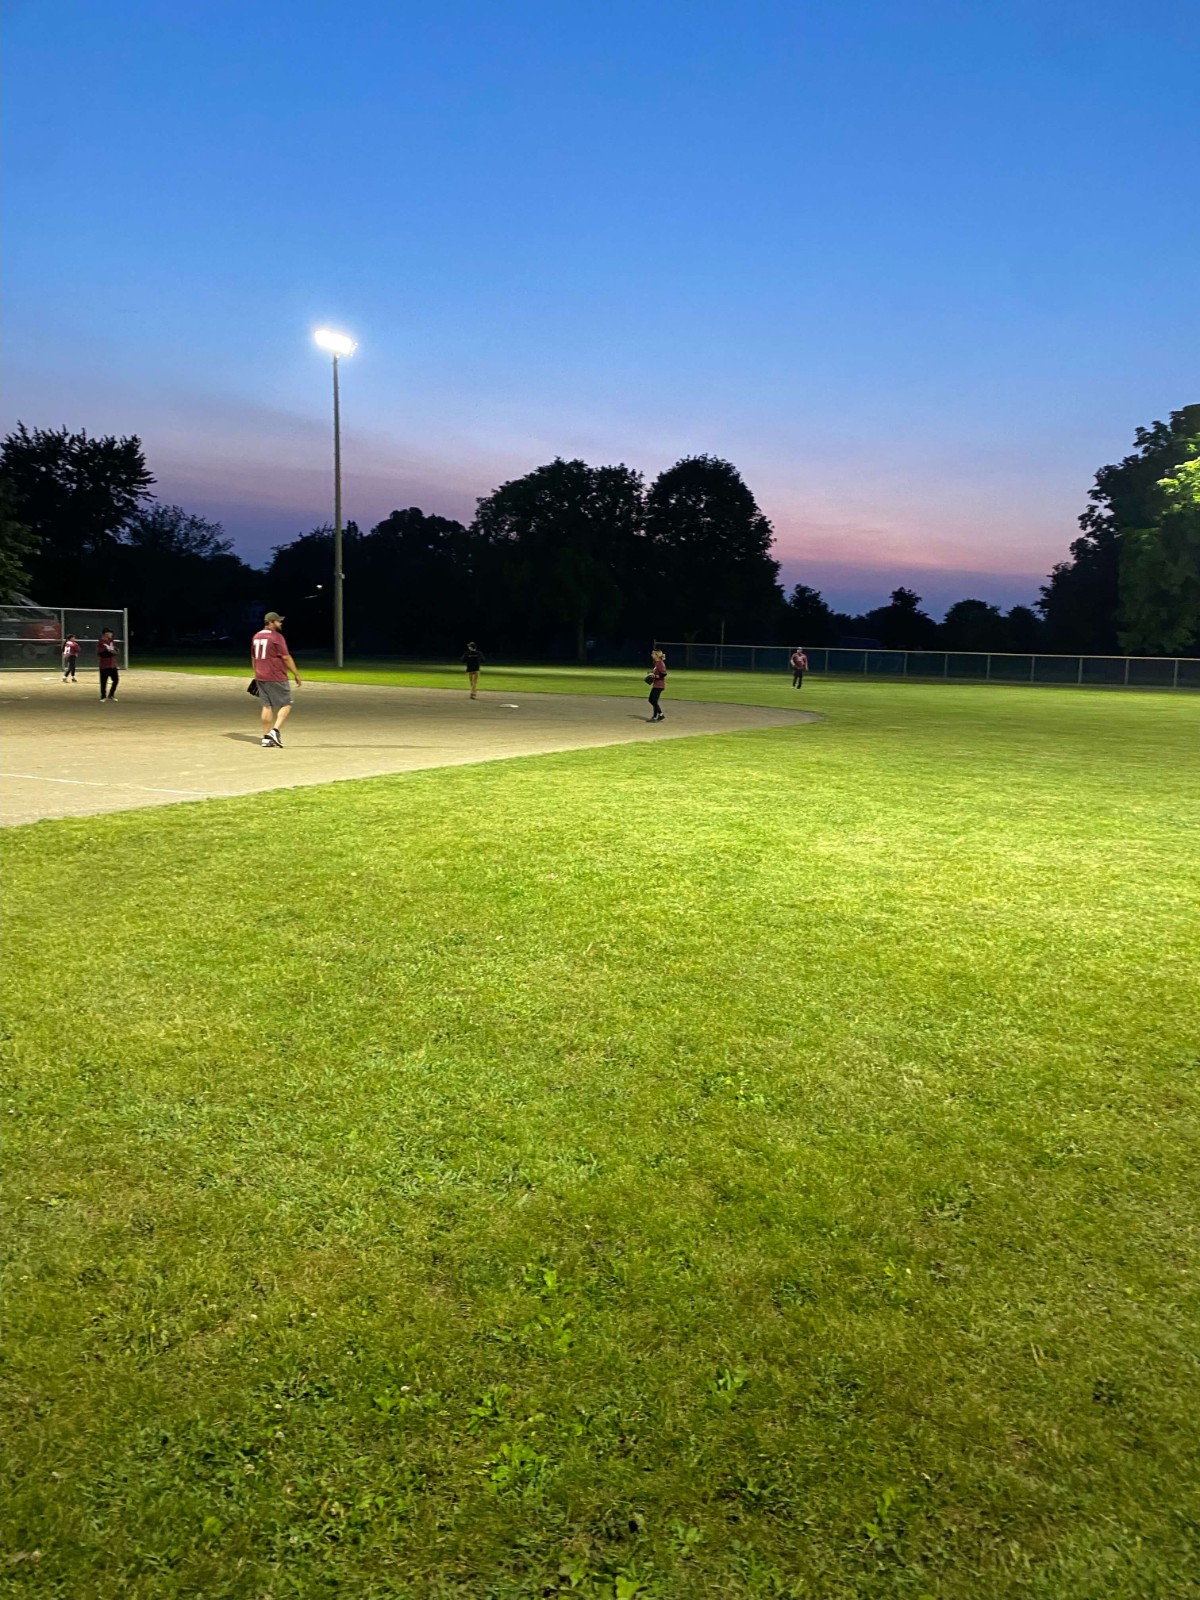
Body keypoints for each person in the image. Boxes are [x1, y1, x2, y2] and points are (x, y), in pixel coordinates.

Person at [251, 611, 302, 747]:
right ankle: (275, 731)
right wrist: (296, 674)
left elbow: (253, 657)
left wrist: (256, 672)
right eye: (278, 621)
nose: (280, 623)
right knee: (287, 703)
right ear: (271, 622)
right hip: (276, 675)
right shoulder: (276, 637)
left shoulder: (256, 636)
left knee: (266, 706)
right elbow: (286, 657)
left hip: (261, 675)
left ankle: (266, 738)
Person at [98, 629, 120, 700]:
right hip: (104, 665)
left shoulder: (111, 641)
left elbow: (115, 650)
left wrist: (114, 651)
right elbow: (100, 653)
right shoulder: (101, 642)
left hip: (112, 665)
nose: (111, 635)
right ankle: (103, 696)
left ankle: (111, 694)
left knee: (116, 680)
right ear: (106, 634)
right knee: (104, 682)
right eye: (110, 634)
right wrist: (109, 651)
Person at [647, 649, 668, 721]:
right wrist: (651, 673)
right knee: (651, 700)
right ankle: (657, 715)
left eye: (653, 654)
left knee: (653, 700)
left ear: (657, 655)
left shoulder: (660, 663)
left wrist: (655, 676)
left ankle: (658, 715)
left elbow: (664, 674)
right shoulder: (657, 663)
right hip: (656, 685)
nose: (651, 655)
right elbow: (656, 672)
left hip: (659, 685)